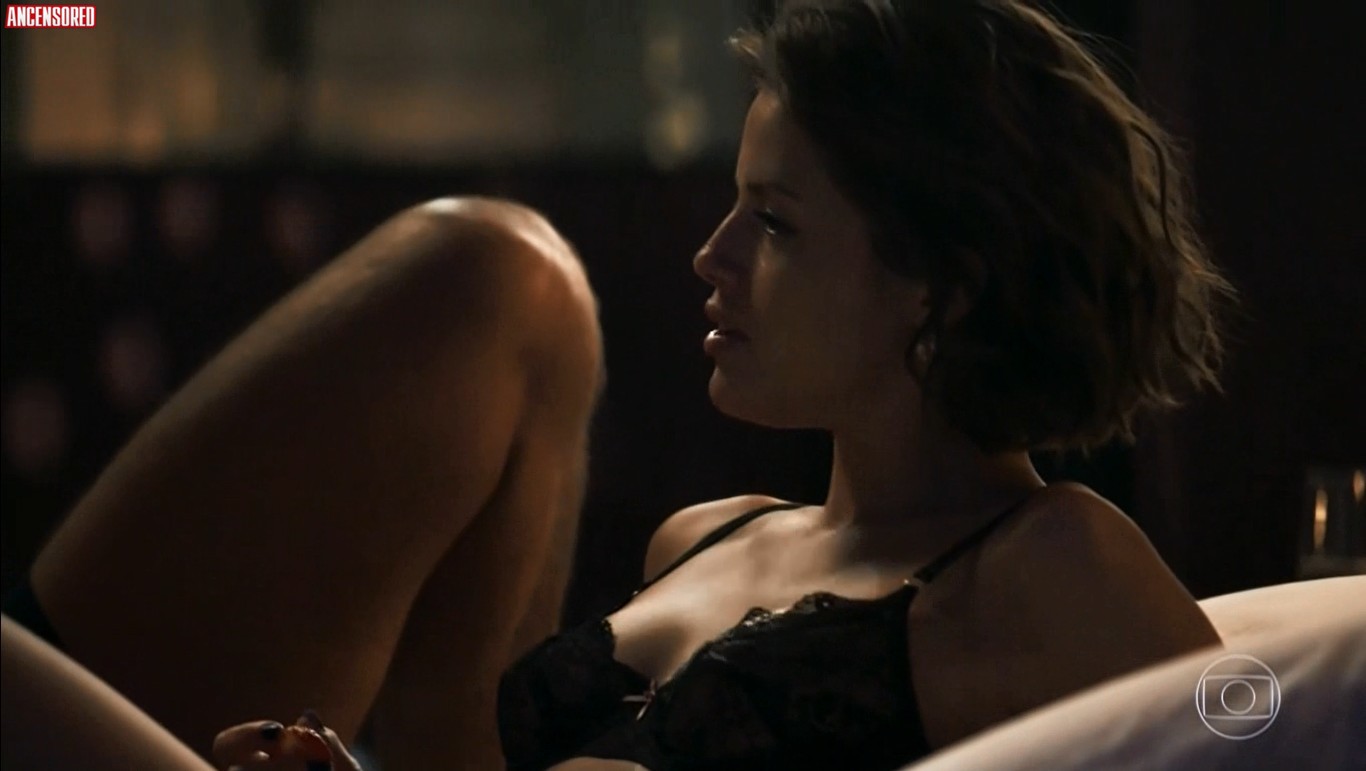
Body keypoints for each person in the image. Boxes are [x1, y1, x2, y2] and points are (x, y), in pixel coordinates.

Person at [5, 0, 1235, 769]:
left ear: (941, 286)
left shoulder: (1047, 562)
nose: (712, 256)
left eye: (775, 222)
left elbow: (1279, 733)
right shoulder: (704, 536)